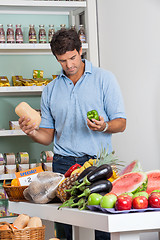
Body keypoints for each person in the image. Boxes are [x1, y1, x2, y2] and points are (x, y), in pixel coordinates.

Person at [18, 29, 126, 240]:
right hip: (63, 165)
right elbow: (47, 137)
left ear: (80, 50)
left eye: (72, 58)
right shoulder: (50, 89)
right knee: (65, 227)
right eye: (62, 61)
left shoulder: (105, 79)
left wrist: (104, 126)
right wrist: (31, 132)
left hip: (97, 163)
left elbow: (121, 123)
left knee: (102, 222)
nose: (69, 65)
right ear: (56, 59)